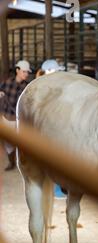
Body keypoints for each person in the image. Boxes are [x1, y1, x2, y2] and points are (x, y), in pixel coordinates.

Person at [35, 59, 67, 199]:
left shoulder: (50, 86)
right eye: (55, 71)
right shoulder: (42, 88)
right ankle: (56, 189)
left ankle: (58, 187)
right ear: (47, 71)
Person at [0, 60, 31, 171]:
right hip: (7, 118)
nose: (26, 74)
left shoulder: (28, 87)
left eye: (27, 72)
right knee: (9, 145)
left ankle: (23, 164)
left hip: (20, 120)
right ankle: (11, 162)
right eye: (24, 71)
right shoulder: (6, 83)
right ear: (17, 70)